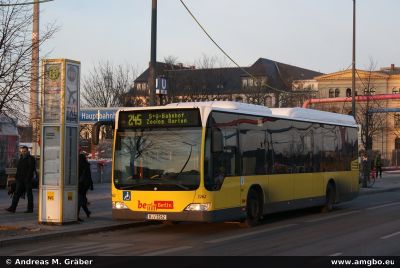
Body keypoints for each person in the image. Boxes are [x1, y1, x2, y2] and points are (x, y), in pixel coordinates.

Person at [5, 146, 35, 213]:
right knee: (16, 194)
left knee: (29, 194)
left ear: (27, 151)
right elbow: (19, 169)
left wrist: (27, 178)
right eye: (22, 151)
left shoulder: (31, 159)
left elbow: (31, 170)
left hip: (27, 180)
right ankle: (12, 208)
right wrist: (16, 177)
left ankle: (30, 209)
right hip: (20, 179)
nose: (23, 152)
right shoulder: (21, 158)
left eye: (24, 151)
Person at [78, 153, 93, 222]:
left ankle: (76, 216)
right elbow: (89, 176)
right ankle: (87, 212)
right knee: (82, 198)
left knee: (79, 200)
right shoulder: (86, 165)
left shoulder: (78, 165)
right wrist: (91, 185)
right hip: (85, 185)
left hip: (80, 184)